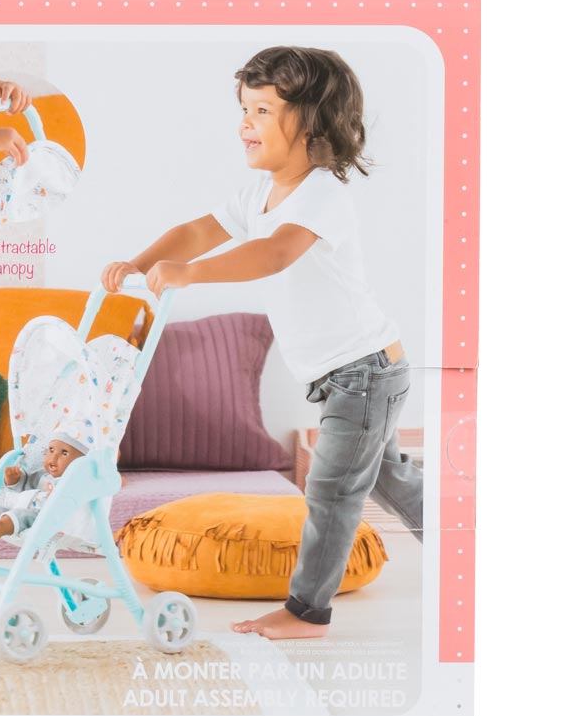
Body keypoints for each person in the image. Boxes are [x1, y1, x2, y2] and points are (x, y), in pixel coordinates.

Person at [101, 46, 422, 640]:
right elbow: (197, 230)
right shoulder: (259, 195)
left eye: (263, 111)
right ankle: (469, 538)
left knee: (331, 490)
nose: (245, 124)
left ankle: (307, 612)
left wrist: (192, 274)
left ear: (313, 123)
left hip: (364, 372)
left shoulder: (322, 194)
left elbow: (274, 253)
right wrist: (140, 263)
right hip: (352, 374)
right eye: (244, 109)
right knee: (387, 479)